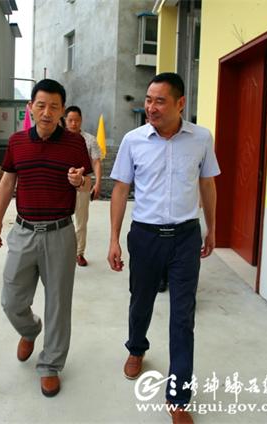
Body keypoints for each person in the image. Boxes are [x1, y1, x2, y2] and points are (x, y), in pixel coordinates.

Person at [107, 73, 220, 424]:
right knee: (140, 301)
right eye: (148, 100)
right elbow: (121, 189)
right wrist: (113, 237)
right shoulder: (133, 140)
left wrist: (211, 229)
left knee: (183, 316)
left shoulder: (201, 138)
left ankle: (178, 396)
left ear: (180, 103)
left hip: (186, 237)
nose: (151, 107)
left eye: (159, 101)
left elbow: (207, 184)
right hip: (145, 236)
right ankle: (136, 348)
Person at [0, 79, 92, 397]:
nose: (47, 112)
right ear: (30, 107)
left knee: (58, 304)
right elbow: (8, 182)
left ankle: (50, 365)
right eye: (41, 105)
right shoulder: (17, 142)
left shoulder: (75, 144)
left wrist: (79, 182)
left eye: (54, 107)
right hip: (23, 231)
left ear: (62, 110)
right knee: (11, 300)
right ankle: (30, 329)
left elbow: (88, 185)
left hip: (60, 233)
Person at [64, 106, 102, 266]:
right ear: (65, 120)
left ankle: (79, 253)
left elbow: (96, 161)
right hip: (61, 183)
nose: (74, 123)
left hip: (83, 182)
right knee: (61, 220)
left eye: (77, 120)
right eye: (70, 120)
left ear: (81, 120)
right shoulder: (58, 139)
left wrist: (98, 182)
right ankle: (62, 252)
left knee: (81, 219)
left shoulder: (90, 139)